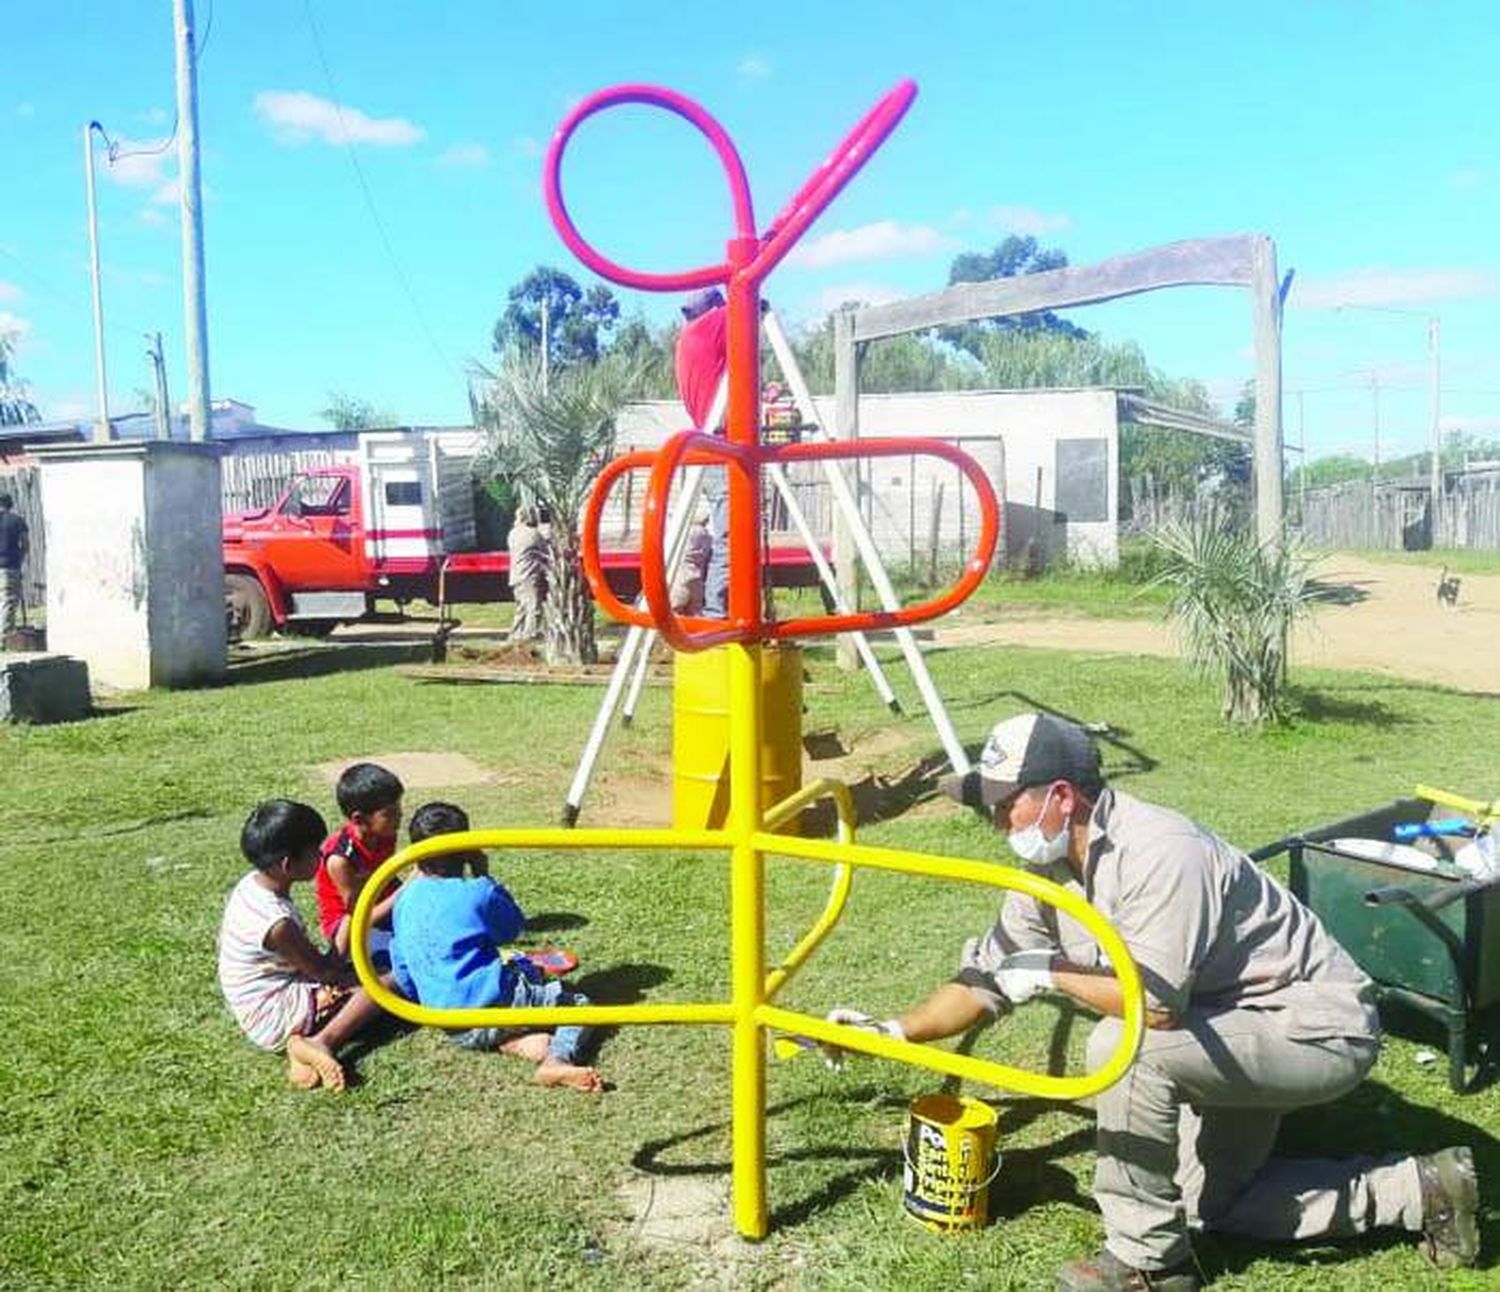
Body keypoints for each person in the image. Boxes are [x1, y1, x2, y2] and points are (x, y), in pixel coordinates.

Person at [829, 712, 1480, 1290]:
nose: (995, 820)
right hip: (1226, 1023)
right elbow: (989, 975)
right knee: (1205, 1207)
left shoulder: (1162, 852)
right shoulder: (1046, 872)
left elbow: (1158, 1008)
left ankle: (1148, 1265)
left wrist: (1048, 973)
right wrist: (891, 1031)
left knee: (1126, 1046)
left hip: (1313, 1028)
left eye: (1005, 804)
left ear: (1060, 796)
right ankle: (1419, 1190)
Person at [389, 802, 603, 1093]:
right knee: (579, 1006)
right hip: (494, 1009)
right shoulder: (476, 892)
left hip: (449, 1024)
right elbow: (511, 928)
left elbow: (402, 966)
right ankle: (557, 1060)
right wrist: (484, 876)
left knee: (515, 972)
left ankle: (515, 1042)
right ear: (467, 847)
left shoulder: (404, 900)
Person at [217, 799, 391, 1091]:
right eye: (315, 851)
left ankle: (300, 1052)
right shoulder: (276, 923)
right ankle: (316, 1042)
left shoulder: (253, 884)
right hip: (271, 1011)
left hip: (267, 994)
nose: (322, 855)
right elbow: (326, 972)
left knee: (369, 969)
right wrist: (352, 919)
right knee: (385, 982)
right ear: (288, 864)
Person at [314, 762, 406, 964]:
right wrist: (405, 891)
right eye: (389, 812)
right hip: (349, 923)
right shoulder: (340, 859)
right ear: (359, 819)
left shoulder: (384, 833)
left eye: (399, 807)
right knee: (397, 958)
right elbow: (360, 918)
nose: (400, 815)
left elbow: (386, 877)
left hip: (382, 902)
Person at [506, 504, 551, 644]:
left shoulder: (513, 533)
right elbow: (546, 551)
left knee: (522, 609)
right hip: (529, 576)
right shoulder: (533, 534)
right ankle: (529, 637)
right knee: (533, 608)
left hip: (516, 576)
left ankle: (514, 636)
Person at [0, 491, 30, 640]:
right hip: (9, 567)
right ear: (10, 504)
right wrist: (20, 561)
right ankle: (4, 637)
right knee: (8, 600)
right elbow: (25, 544)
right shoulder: (17, 521)